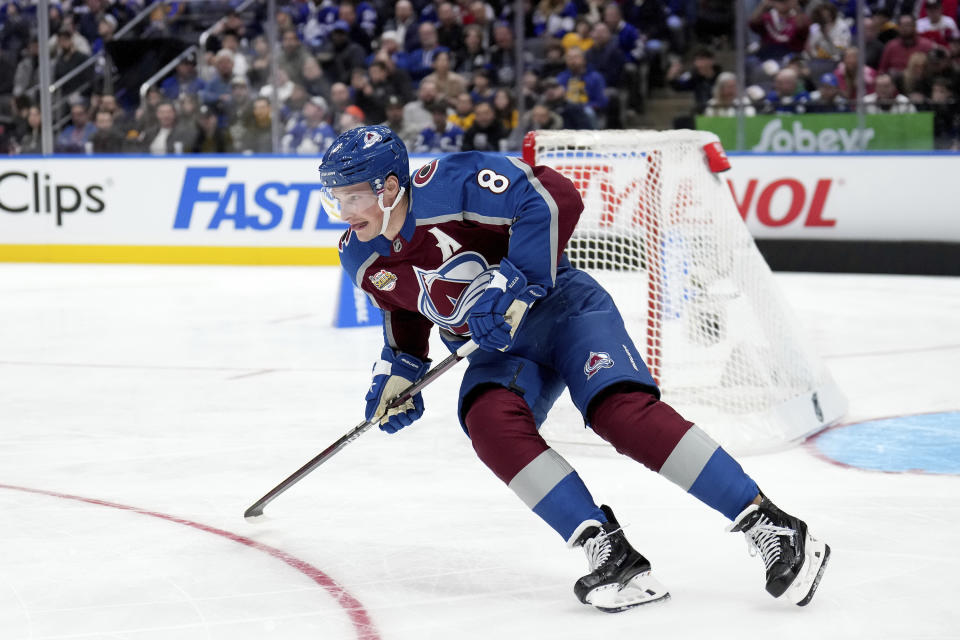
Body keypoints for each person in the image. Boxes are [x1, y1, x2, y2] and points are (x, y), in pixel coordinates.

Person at [316, 125, 832, 613]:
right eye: (335, 198)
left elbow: (558, 196)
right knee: (487, 422)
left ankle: (771, 522)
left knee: (620, 413)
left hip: (563, 309)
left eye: (351, 196)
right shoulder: (359, 255)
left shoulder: (454, 182)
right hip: (498, 349)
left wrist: (515, 280)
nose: (342, 211)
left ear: (387, 187)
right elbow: (403, 306)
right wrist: (401, 369)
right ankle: (609, 553)